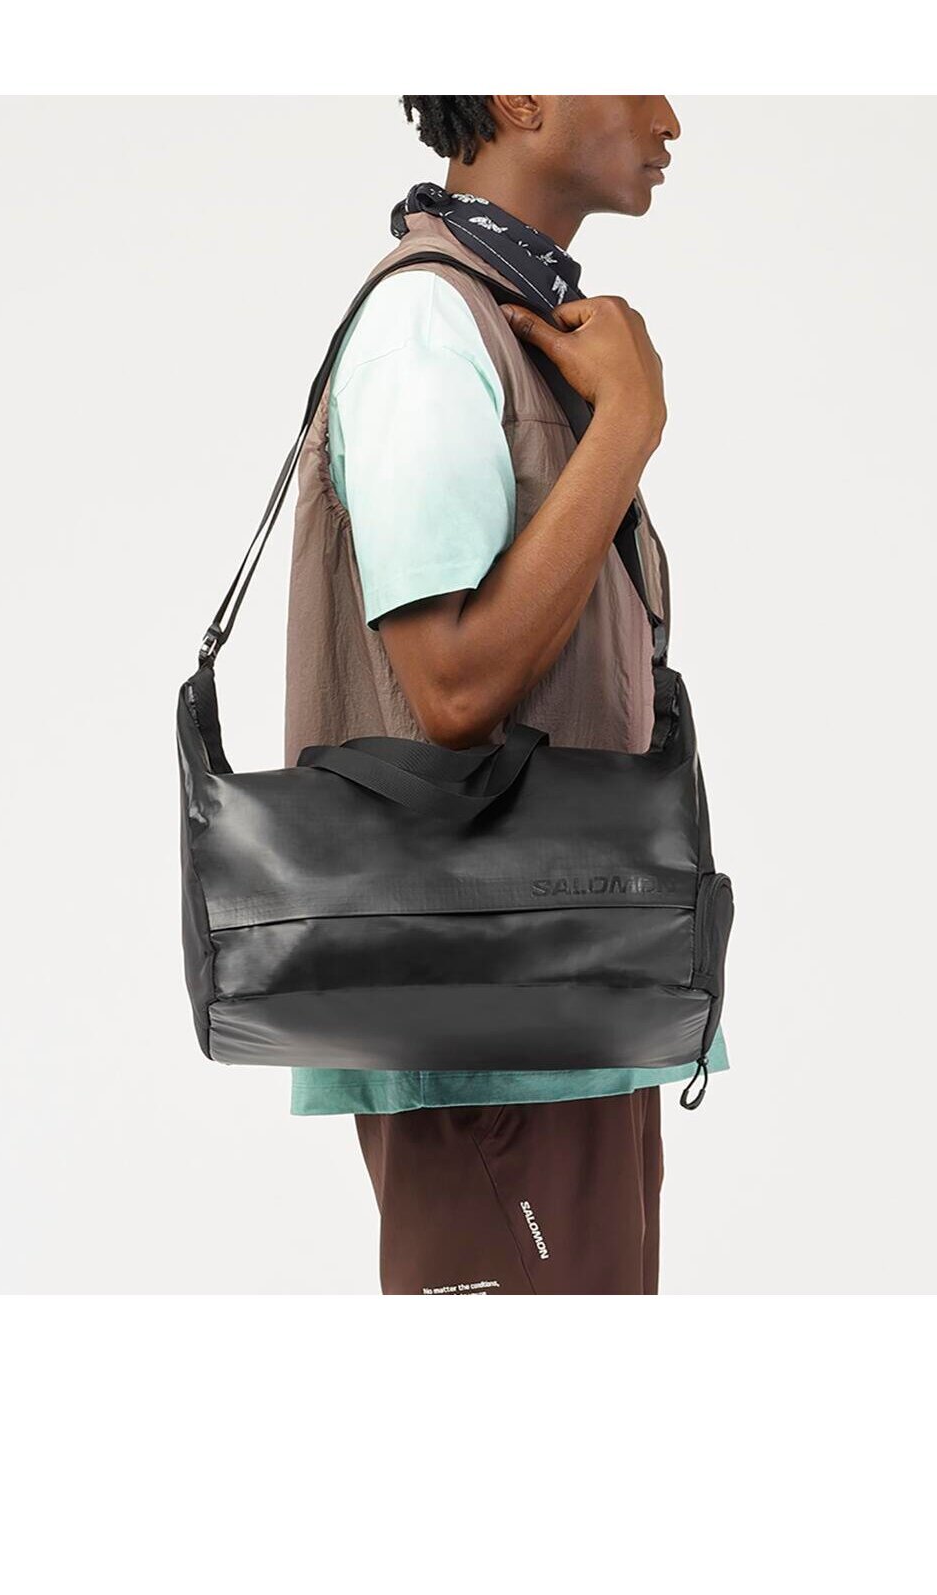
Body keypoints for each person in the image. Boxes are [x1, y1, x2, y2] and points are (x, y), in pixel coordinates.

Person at [283, 96, 729, 1295]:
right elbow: (453, 683)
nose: (669, 115)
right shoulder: (428, 325)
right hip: (491, 1019)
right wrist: (628, 425)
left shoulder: (506, 318)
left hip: (558, 999)